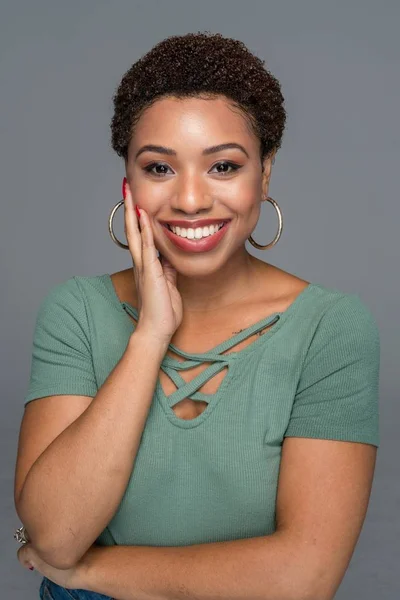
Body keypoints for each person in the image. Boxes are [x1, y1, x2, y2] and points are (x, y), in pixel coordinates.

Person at [14, 32, 380, 600]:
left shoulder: (330, 328)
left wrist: (88, 573)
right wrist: (150, 335)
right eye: (159, 169)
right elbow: (57, 536)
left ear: (265, 173)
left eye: (223, 167)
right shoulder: (77, 312)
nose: (189, 200)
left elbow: (303, 577)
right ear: (128, 183)